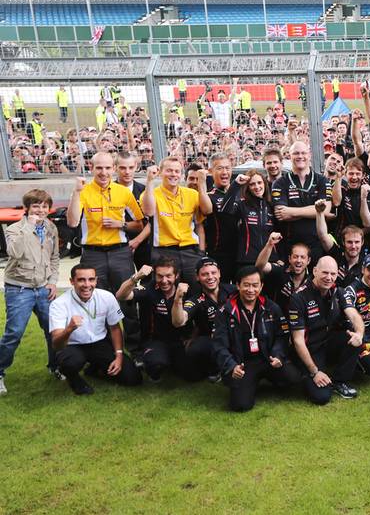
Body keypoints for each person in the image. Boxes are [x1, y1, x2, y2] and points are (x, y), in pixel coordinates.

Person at [211, 266, 302, 412]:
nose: (251, 290)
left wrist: (278, 355)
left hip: (268, 359)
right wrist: (231, 366)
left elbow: (282, 335)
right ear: (238, 285)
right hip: (243, 365)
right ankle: (248, 385)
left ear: (261, 286)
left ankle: (265, 382)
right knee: (240, 405)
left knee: (294, 379)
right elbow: (219, 345)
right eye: (246, 285)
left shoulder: (271, 307)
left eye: (255, 285)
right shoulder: (225, 312)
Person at [0, 189, 62, 395]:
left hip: (44, 288)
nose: (41, 210)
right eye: (36, 206)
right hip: (19, 289)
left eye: (44, 206)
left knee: (53, 330)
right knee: (14, 333)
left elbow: (54, 257)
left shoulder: (51, 227)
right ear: (27, 208)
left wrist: (52, 282)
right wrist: (30, 227)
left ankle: (55, 366)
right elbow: (14, 252)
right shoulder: (14, 229)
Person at [50, 265, 143, 394]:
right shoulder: (59, 304)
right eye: (81, 280)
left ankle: (94, 369)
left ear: (96, 280)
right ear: (72, 281)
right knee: (70, 362)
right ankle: (75, 380)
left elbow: (115, 328)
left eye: (91, 279)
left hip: (100, 343)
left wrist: (119, 356)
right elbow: (57, 344)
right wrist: (69, 329)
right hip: (73, 346)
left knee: (133, 378)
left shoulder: (106, 297)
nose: (87, 284)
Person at [115, 258, 206, 382]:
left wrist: (193, 337)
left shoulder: (186, 291)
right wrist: (135, 278)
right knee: (156, 363)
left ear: (176, 275)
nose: (164, 281)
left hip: (181, 341)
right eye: (160, 276)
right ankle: (153, 363)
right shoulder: (149, 289)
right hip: (155, 341)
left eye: (168, 276)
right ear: (154, 275)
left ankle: (174, 362)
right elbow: (121, 296)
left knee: (192, 375)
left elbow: (190, 320)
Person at [66, 152, 146, 291]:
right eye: (99, 168)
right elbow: (72, 222)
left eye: (108, 168)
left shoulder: (124, 192)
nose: (104, 172)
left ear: (113, 168)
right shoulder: (82, 191)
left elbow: (139, 225)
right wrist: (76, 193)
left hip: (120, 253)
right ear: (91, 168)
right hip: (92, 254)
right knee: (94, 297)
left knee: (125, 296)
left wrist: (121, 224)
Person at [289, 257, 364, 404]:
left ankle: (340, 381)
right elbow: (298, 341)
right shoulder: (298, 297)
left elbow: (354, 316)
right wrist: (314, 371)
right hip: (309, 348)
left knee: (354, 339)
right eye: (325, 272)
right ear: (315, 271)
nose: (329, 278)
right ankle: (306, 374)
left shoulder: (338, 291)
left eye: (333, 274)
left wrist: (359, 334)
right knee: (321, 397)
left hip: (328, 342)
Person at [141, 157, 212, 287]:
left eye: (177, 171)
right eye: (169, 170)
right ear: (160, 172)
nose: (173, 174)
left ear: (181, 174)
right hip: (164, 252)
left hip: (191, 251)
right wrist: (150, 181)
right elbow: (148, 211)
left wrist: (202, 185)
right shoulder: (151, 193)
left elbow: (207, 210)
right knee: (167, 290)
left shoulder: (192, 194)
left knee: (195, 289)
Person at [271, 141, 330, 262]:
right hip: (289, 245)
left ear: (309, 155)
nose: (300, 156)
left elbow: (326, 209)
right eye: (296, 153)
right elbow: (281, 214)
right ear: (289, 156)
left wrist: (291, 211)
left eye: (303, 153)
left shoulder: (322, 180)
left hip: (316, 243)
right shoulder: (280, 183)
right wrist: (315, 211)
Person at [203, 154, 240, 281]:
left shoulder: (241, 194)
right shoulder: (208, 196)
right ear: (210, 171)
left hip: (241, 253)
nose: (225, 172)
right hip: (219, 254)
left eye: (227, 168)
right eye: (219, 168)